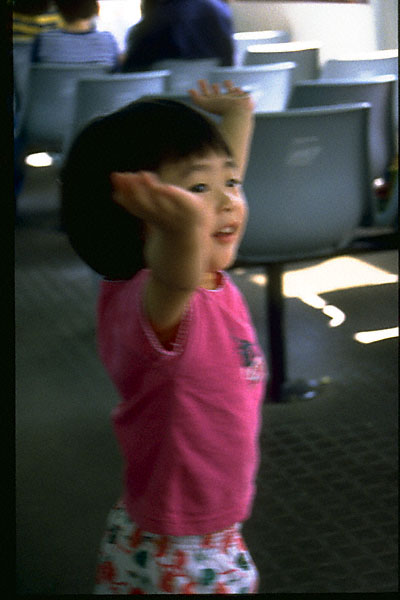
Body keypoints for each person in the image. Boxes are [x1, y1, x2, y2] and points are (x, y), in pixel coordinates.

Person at [60, 79, 266, 594]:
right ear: (142, 217)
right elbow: (176, 267)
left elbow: (220, 179)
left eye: (232, 184)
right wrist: (181, 232)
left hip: (211, 533)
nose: (226, 201)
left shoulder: (203, 278)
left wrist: (238, 113)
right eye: (198, 190)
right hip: (178, 552)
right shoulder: (159, 303)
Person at [121, 0, 234, 72]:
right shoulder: (221, 11)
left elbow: (129, 76)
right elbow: (229, 65)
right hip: (212, 103)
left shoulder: (152, 25)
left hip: (159, 106)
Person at [30, 0, 120, 70]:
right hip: (96, 94)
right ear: (95, 8)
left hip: (52, 93)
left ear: (59, 8)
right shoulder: (108, 40)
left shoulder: (44, 41)